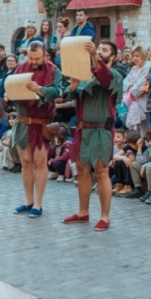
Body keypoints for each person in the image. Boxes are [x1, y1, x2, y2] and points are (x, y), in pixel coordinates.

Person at [61, 41, 124, 231]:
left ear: (112, 57)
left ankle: (105, 216)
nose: (99, 52)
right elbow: (68, 98)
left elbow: (105, 78)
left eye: (104, 50)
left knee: (101, 172)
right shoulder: (84, 74)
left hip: (101, 129)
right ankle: (83, 212)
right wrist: (72, 87)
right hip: (82, 129)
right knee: (81, 170)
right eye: (98, 49)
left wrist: (95, 58)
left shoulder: (116, 75)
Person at [9, 41, 62, 218]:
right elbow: (12, 87)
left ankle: (38, 204)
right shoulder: (21, 67)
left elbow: (57, 91)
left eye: (37, 58)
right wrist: (9, 93)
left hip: (42, 122)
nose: (33, 61)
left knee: (40, 163)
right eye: (31, 58)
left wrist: (39, 90)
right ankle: (28, 201)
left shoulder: (53, 69)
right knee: (25, 162)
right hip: (23, 120)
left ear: (44, 54)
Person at [123, 46, 151, 132]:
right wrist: (131, 85)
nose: (134, 58)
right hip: (132, 103)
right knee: (133, 131)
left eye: (137, 56)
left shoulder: (148, 67)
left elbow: (140, 86)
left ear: (143, 56)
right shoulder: (134, 68)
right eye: (133, 56)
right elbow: (124, 82)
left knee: (144, 130)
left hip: (143, 103)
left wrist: (131, 87)